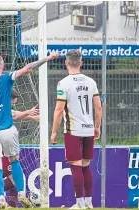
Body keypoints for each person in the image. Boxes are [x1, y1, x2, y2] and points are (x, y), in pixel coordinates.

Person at [0, 52, 58, 209]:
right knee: (14, 161)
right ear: (2, 65)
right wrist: (48, 58)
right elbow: (28, 68)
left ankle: (1, 198)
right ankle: (22, 193)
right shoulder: (6, 78)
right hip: (7, 130)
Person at [50, 50, 102, 209]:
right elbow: (98, 107)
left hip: (73, 130)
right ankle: (89, 203)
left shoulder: (64, 83)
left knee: (76, 165)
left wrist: (53, 131)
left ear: (66, 63)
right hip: (88, 129)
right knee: (85, 165)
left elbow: (59, 110)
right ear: (81, 62)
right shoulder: (91, 82)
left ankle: (79, 204)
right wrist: (97, 127)